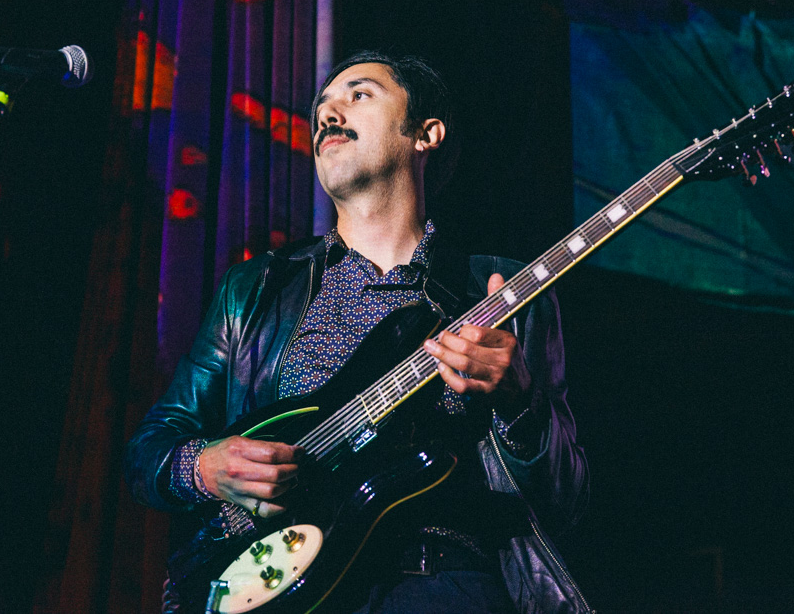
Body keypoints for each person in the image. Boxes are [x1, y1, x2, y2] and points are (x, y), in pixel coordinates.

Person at [125, 51, 591, 614]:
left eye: (359, 95)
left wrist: (518, 401)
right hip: (284, 586)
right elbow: (150, 448)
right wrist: (206, 467)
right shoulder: (256, 288)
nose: (327, 114)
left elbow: (565, 499)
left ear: (425, 134)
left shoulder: (499, 295)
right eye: (321, 106)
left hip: (439, 583)